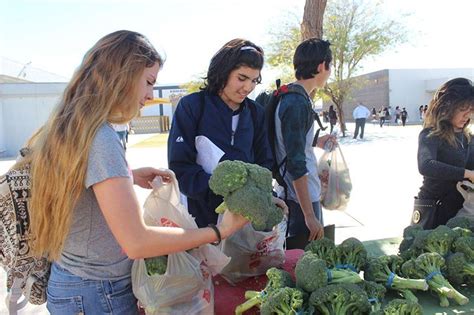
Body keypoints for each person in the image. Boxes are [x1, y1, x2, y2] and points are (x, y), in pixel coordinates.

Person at [19, 31, 249, 314]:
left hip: (74, 283)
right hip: (97, 293)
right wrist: (218, 230)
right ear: (122, 76)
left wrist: (127, 174)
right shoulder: (101, 138)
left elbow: (78, 183)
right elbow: (137, 243)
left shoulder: (72, 124)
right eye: (149, 82)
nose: (151, 95)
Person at [168, 38, 286, 228]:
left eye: (254, 80)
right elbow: (180, 168)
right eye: (242, 78)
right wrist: (228, 192)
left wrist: (266, 197)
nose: (248, 87)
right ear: (223, 72)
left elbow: (264, 164)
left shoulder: (256, 113)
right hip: (200, 220)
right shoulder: (192, 107)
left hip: (244, 223)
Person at [272, 38, 335, 246]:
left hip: (300, 196)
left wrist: (316, 140)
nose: (330, 71)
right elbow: (295, 163)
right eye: (330, 65)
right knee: (303, 262)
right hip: (300, 200)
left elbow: (292, 141)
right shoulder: (296, 102)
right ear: (320, 66)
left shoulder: (292, 96)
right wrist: (309, 215)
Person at [415, 77, 474, 229]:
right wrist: (467, 173)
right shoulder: (430, 135)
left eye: (470, 110)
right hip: (433, 209)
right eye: (462, 109)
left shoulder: (469, 138)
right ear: (447, 107)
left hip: (460, 211)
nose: (467, 115)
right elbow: (426, 165)